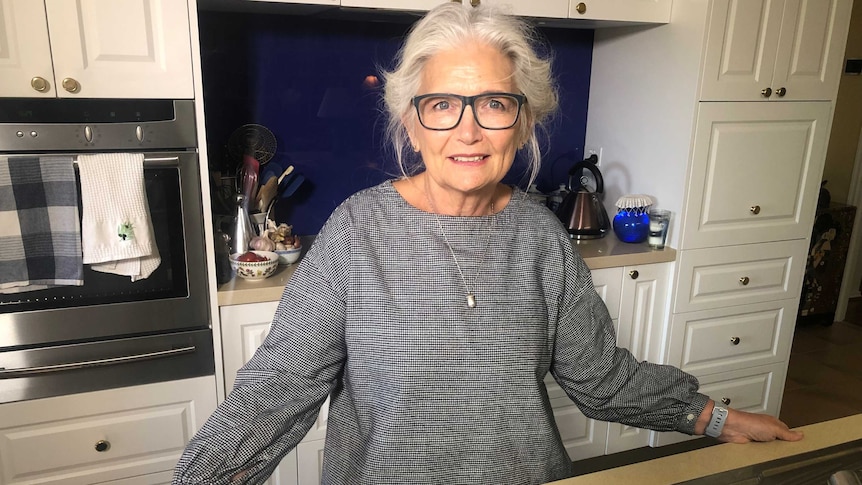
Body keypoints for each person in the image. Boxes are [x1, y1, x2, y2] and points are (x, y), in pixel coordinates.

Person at [173, 3, 802, 484]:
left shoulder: (541, 237)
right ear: (412, 124)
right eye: (443, 104)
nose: (469, 130)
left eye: (494, 103)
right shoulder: (357, 231)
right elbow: (282, 387)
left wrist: (714, 417)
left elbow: (599, 377)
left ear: (522, 121)